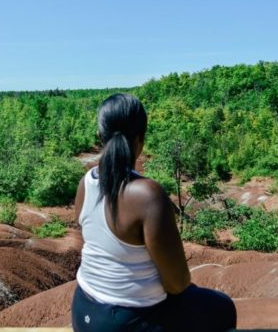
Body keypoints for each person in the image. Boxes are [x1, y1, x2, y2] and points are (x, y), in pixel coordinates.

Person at [72, 93, 236, 332]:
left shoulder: (85, 183)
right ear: (141, 139)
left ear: (100, 137)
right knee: (222, 308)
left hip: (83, 310)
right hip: (126, 322)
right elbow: (178, 284)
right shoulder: (147, 195)